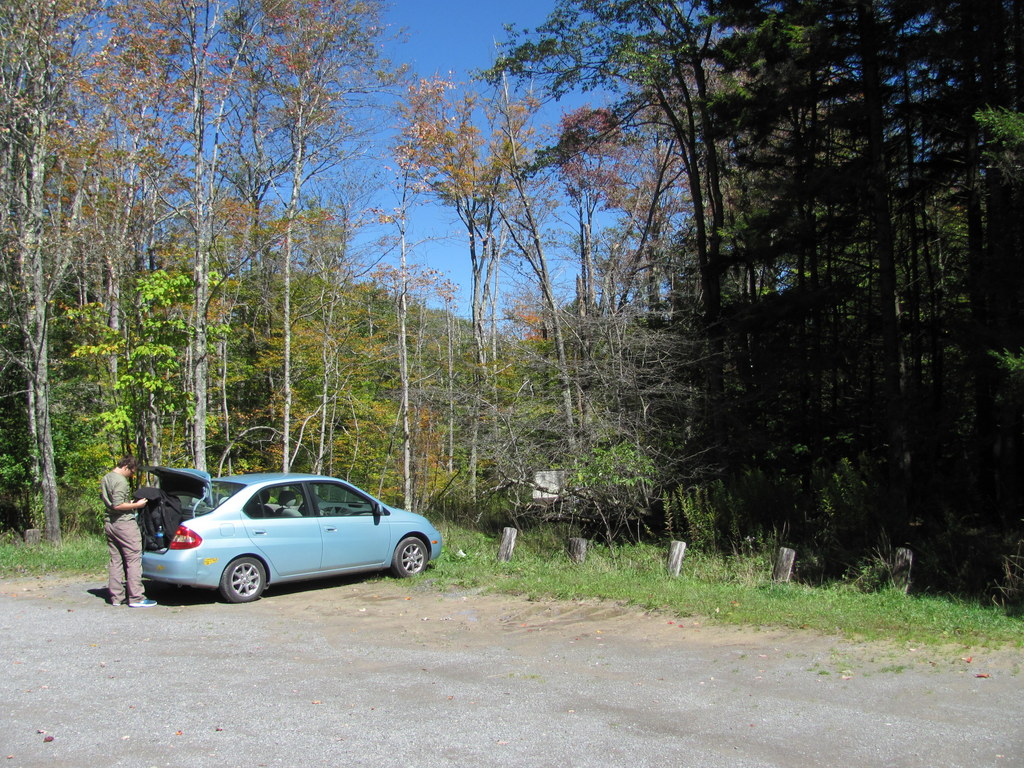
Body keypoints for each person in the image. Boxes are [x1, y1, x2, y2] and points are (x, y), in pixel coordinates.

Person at [101, 455, 157, 607]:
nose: (132, 475)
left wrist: (129, 503)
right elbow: (117, 505)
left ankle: (116, 597)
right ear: (126, 467)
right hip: (124, 524)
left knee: (116, 561)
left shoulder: (107, 477)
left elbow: (113, 502)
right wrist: (137, 505)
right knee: (133, 560)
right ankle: (136, 598)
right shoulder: (121, 481)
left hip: (110, 524)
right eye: (132, 471)